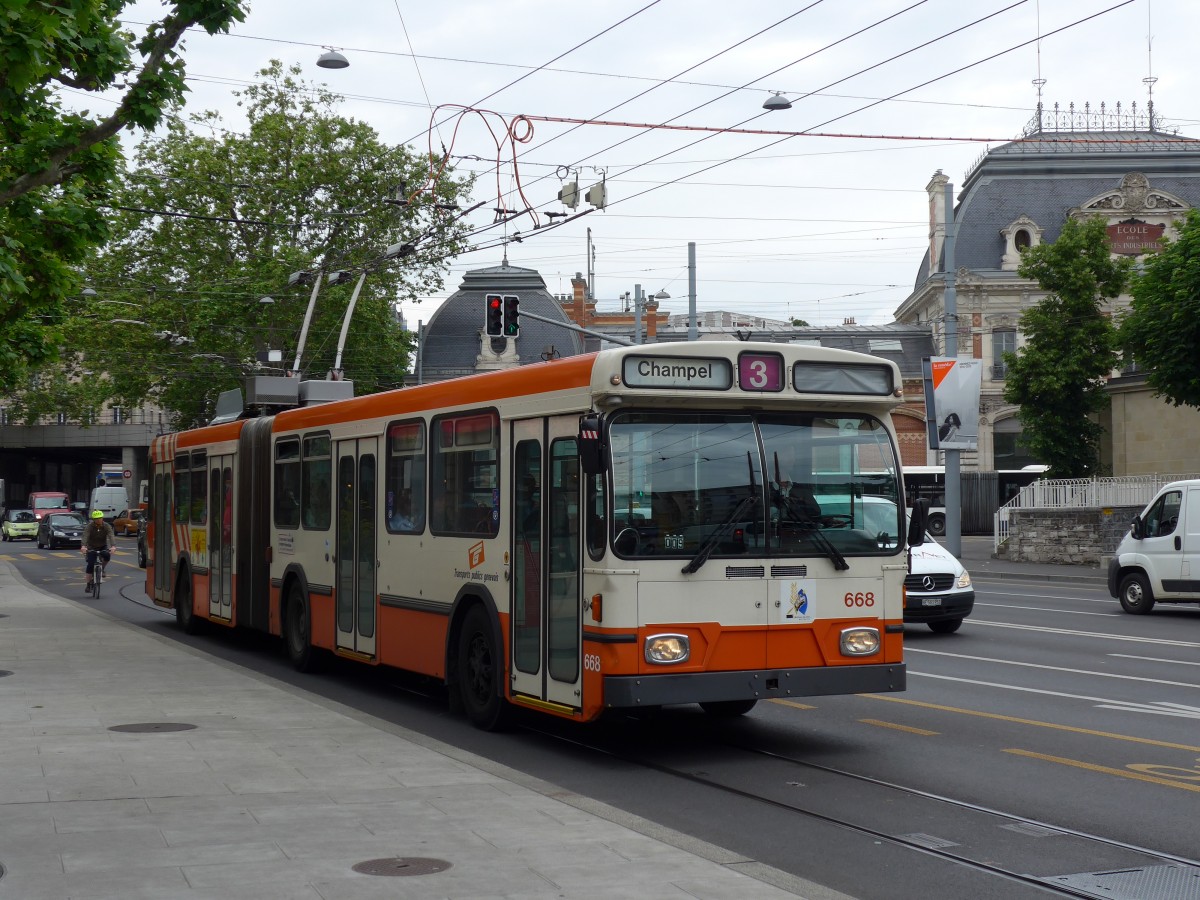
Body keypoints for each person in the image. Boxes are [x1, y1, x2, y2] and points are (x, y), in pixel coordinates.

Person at [81, 509, 116, 592]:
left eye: (100, 518)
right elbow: (85, 536)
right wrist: (83, 546)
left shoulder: (106, 526)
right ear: (93, 520)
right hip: (91, 547)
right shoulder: (89, 527)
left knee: (107, 555)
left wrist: (113, 546)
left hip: (102, 546)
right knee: (90, 564)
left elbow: (111, 535)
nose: (99, 520)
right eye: (96, 518)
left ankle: (102, 568)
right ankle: (89, 584)